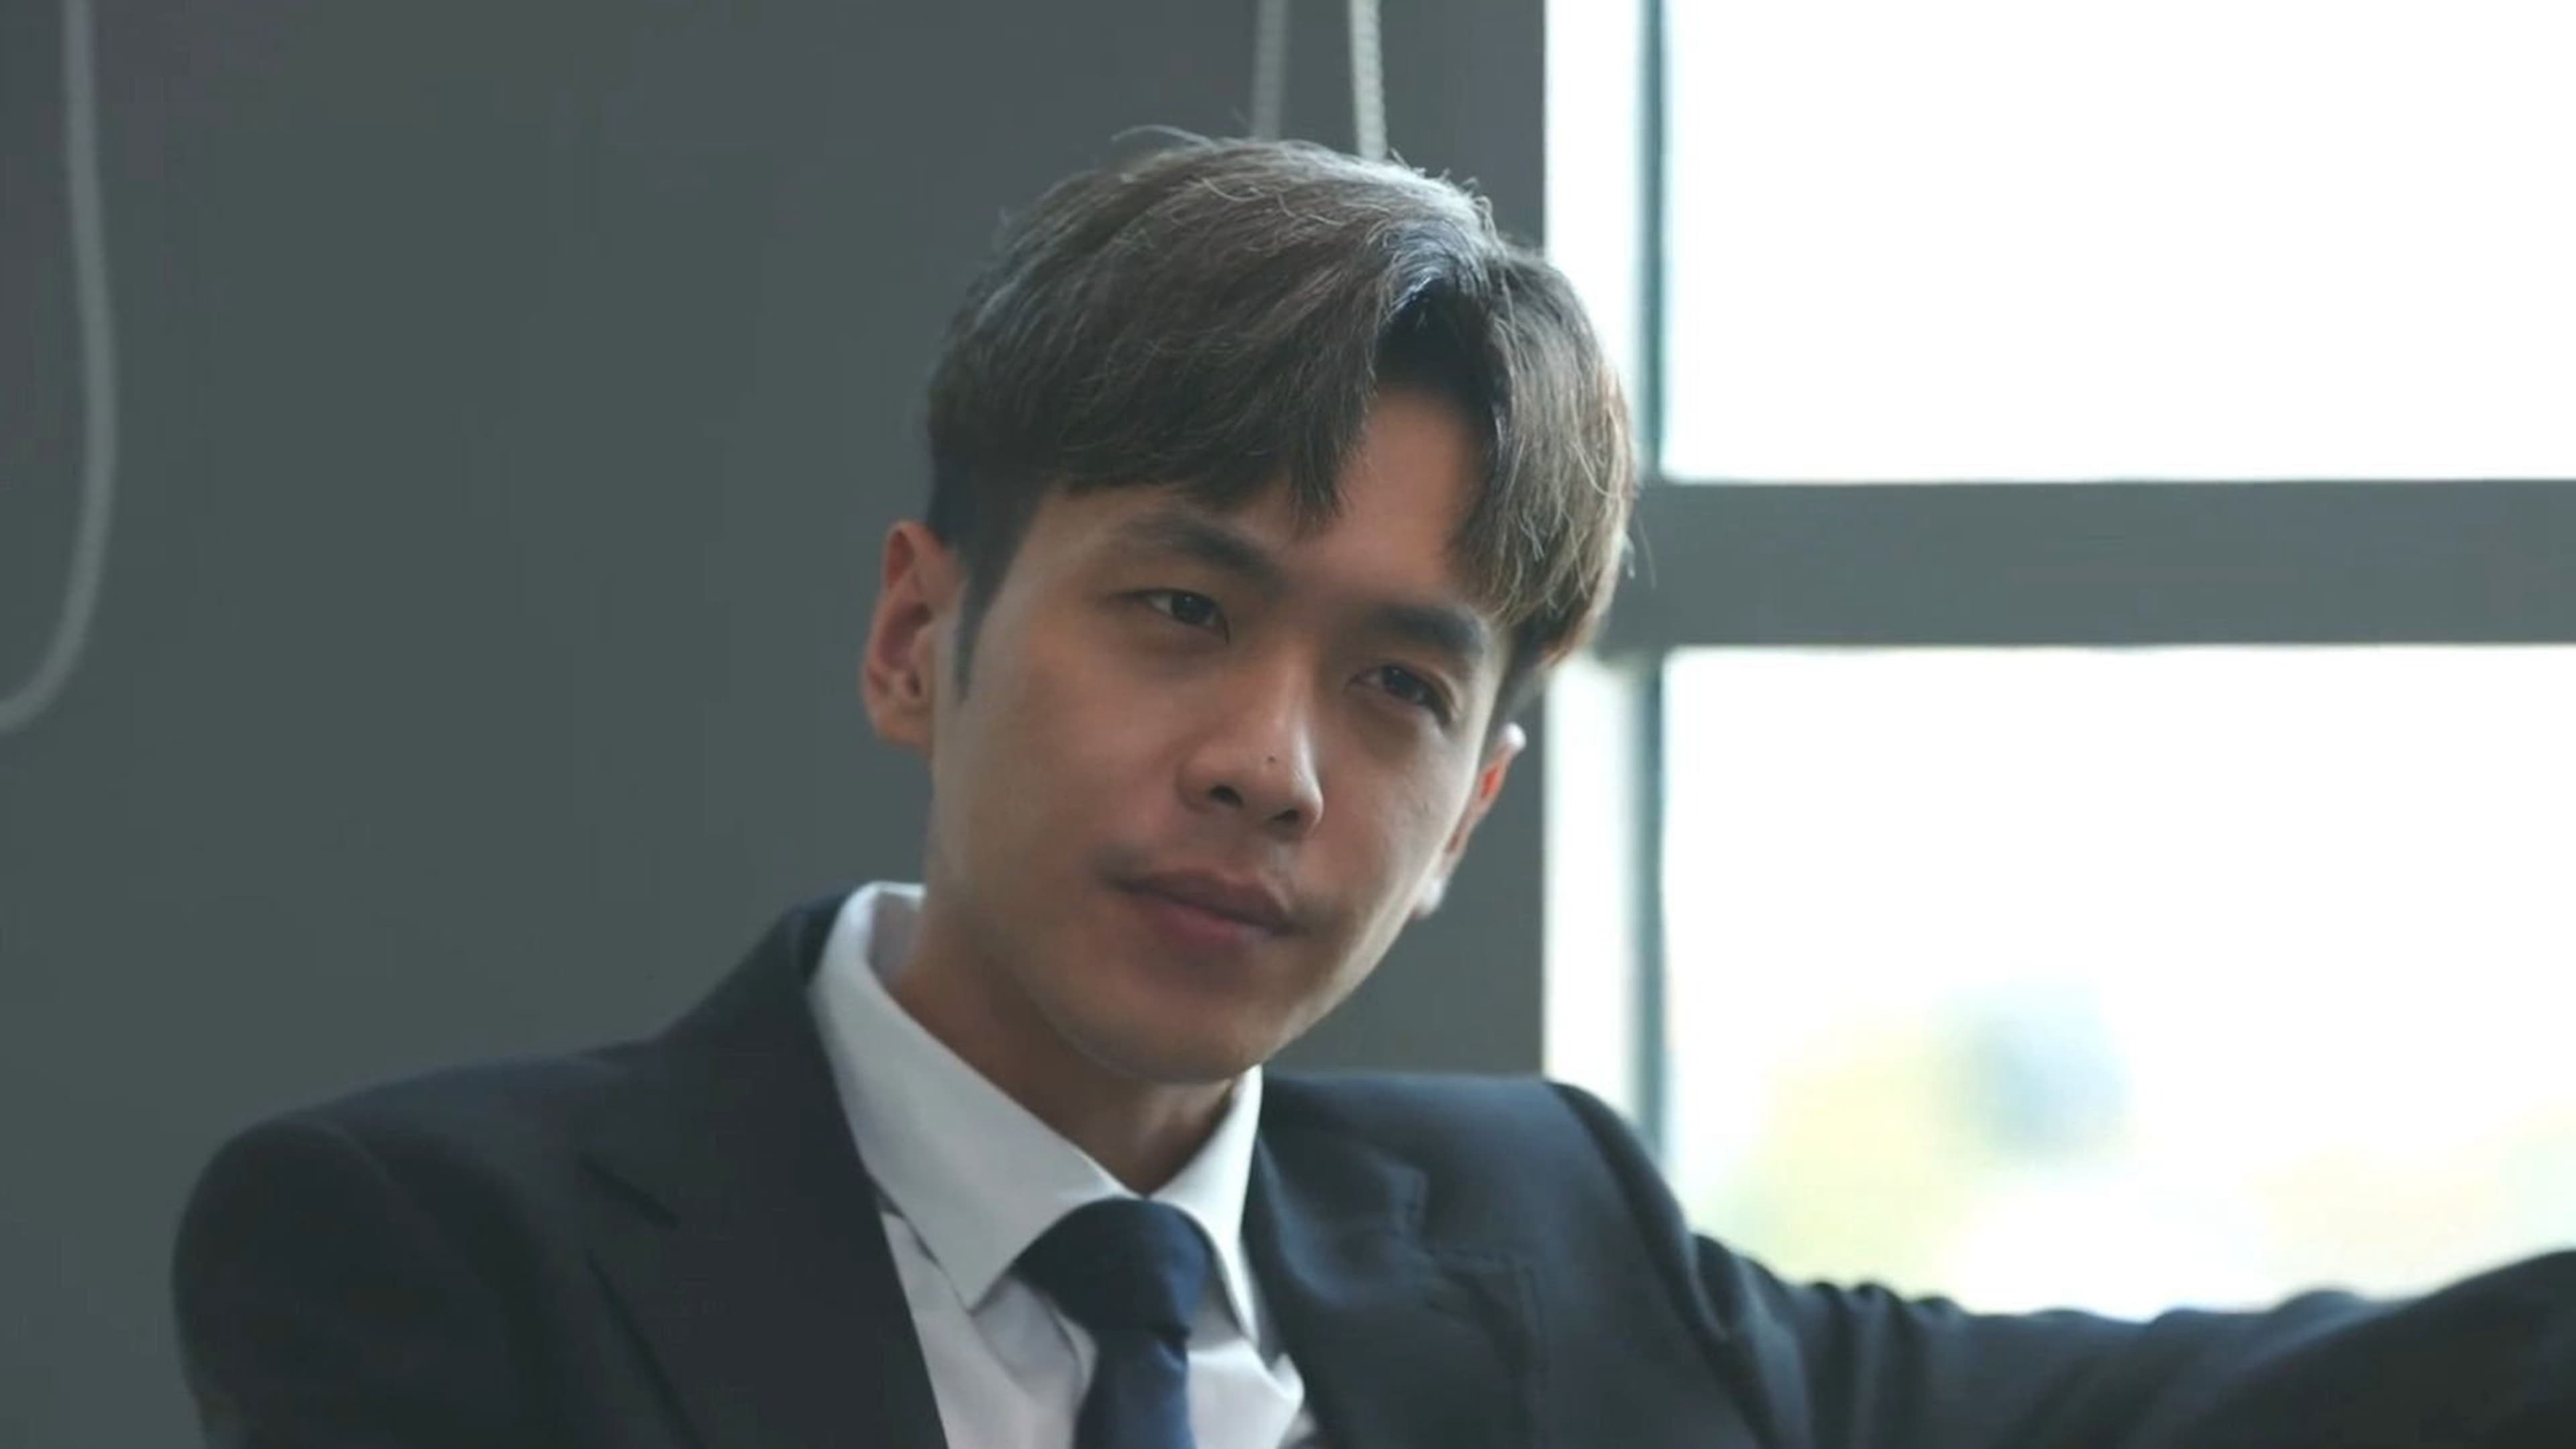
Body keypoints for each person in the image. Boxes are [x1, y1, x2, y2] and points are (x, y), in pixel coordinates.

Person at [170, 136, 2573, 1449]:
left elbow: (2198, 1412)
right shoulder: (436, 1252)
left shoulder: (1547, 1232)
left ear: (1472, 816)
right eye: (1181, 608)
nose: (1273, 765)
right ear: (920, 638)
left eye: (1402, 687)